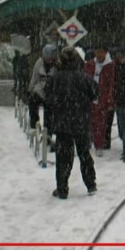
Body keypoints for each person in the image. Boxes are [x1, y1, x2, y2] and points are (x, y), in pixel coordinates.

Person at [44, 46, 98, 199]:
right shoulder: (85, 78)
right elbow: (94, 94)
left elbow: (47, 98)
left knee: (63, 158)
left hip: (62, 123)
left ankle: (62, 188)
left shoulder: (55, 79)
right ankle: (91, 184)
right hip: (81, 122)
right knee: (84, 154)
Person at [84, 45, 115, 157]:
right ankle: (87, 143)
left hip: (102, 99)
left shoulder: (110, 66)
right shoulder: (89, 64)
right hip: (89, 98)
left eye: (101, 52)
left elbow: (112, 84)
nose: (99, 54)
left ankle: (99, 145)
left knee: (100, 124)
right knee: (88, 122)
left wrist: (109, 99)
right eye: (97, 52)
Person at [27, 44, 58, 147]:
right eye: (46, 58)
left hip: (52, 92)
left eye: (50, 59)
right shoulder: (39, 63)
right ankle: (34, 123)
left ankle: (48, 133)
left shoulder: (57, 65)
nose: (48, 61)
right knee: (32, 100)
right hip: (40, 89)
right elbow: (34, 77)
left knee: (49, 110)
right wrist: (30, 89)